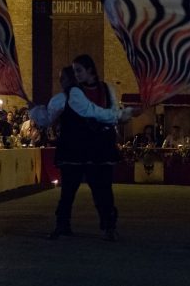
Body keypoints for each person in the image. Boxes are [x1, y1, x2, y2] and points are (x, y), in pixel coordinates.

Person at [30, 59, 134, 242]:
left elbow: (45, 120)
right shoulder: (87, 93)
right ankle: (100, 226)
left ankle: (71, 225)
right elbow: (111, 115)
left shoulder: (66, 97)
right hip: (89, 148)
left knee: (83, 191)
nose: (61, 82)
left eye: (63, 78)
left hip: (80, 147)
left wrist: (34, 111)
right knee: (89, 190)